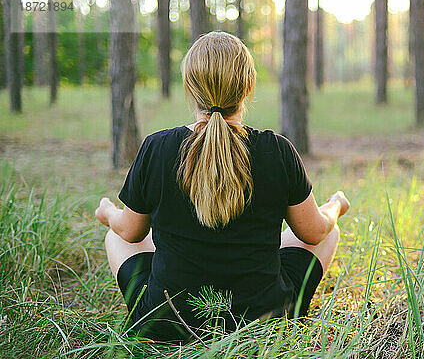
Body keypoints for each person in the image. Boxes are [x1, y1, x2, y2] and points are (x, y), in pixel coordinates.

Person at [95, 31, 350, 341]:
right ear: (248, 87)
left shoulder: (157, 148)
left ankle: (156, 316)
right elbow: (314, 233)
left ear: (190, 89)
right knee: (330, 230)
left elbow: (131, 231)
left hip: (167, 322)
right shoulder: (277, 150)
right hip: (264, 320)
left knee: (116, 235)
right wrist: (335, 205)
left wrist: (108, 212)